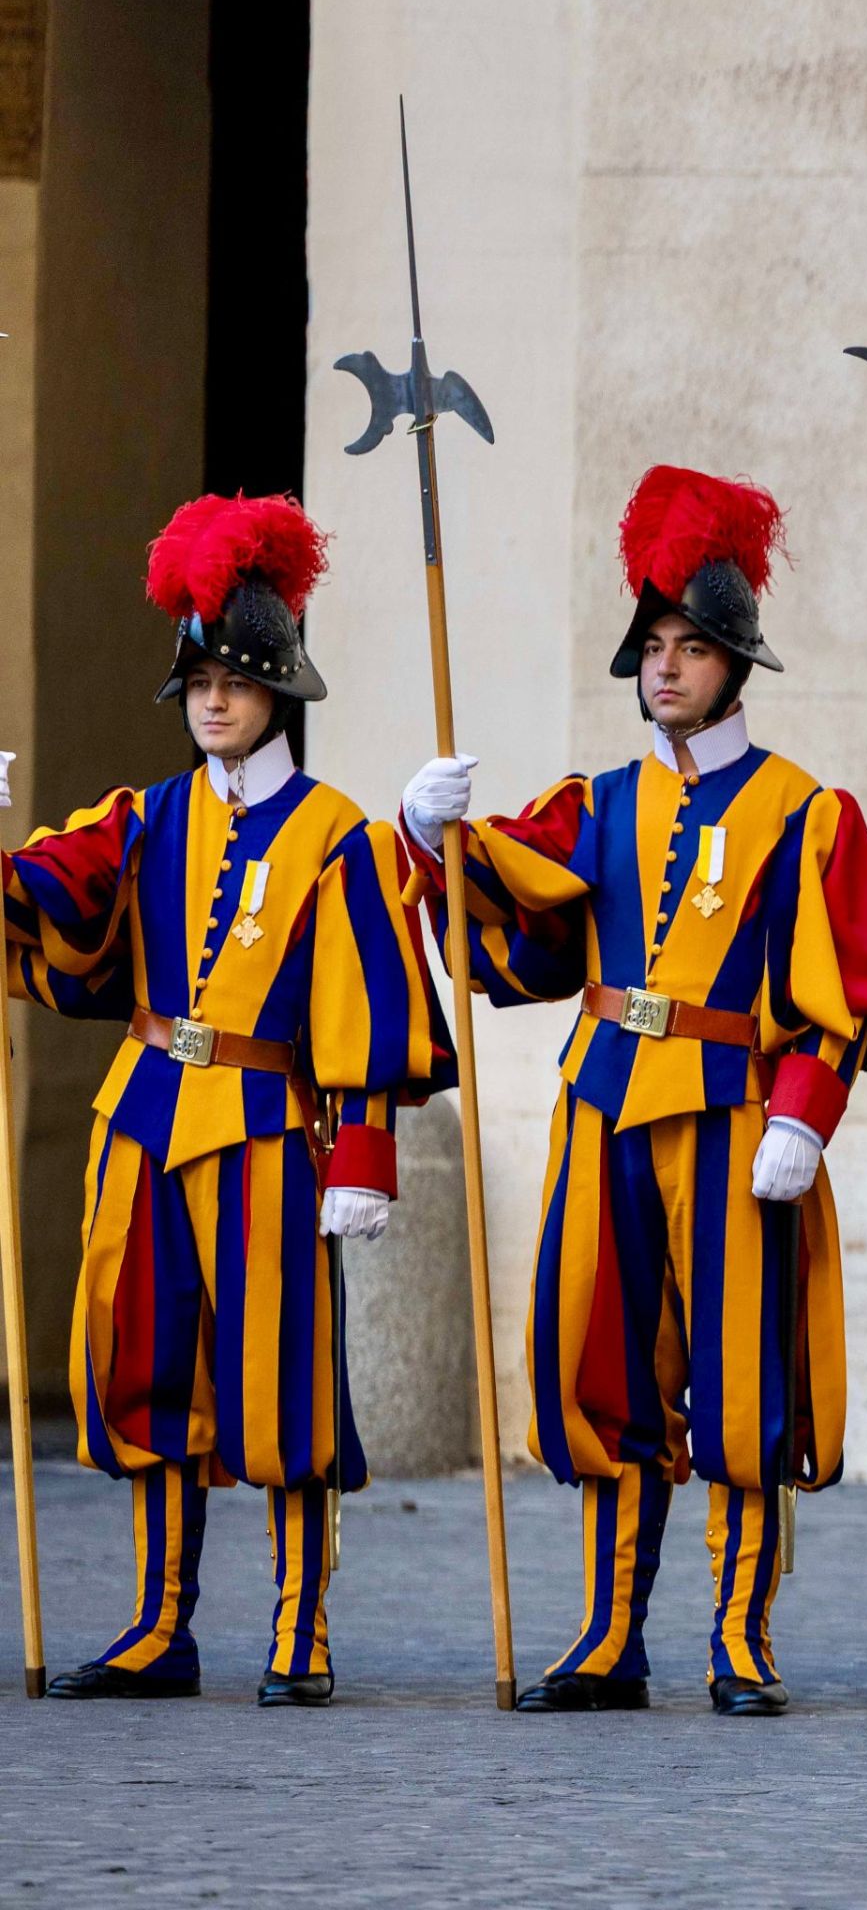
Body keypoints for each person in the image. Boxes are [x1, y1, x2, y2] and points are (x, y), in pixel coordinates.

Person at [400, 465, 867, 1717]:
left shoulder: (807, 811)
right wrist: (433, 842)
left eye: (692, 647)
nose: (668, 668)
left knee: (744, 1376)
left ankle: (741, 1636)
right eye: (655, 647)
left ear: (736, 662)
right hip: (606, 1098)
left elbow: (844, 984)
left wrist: (806, 1108)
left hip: (739, 1112)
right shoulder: (598, 802)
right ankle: (608, 1633)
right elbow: (512, 941)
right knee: (604, 1363)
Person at [4, 496, 449, 1704]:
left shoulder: (338, 837)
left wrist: (362, 1151)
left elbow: (369, 999)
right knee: (147, 1366)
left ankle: (300, 1629)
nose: (212, 700)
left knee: (285, 1382)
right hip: (146, 1115)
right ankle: (161, 1625)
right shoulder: (144, 817)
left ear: (279, 690)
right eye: (197, 677)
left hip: (267, 1127)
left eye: (235, 681)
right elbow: (48, 890)